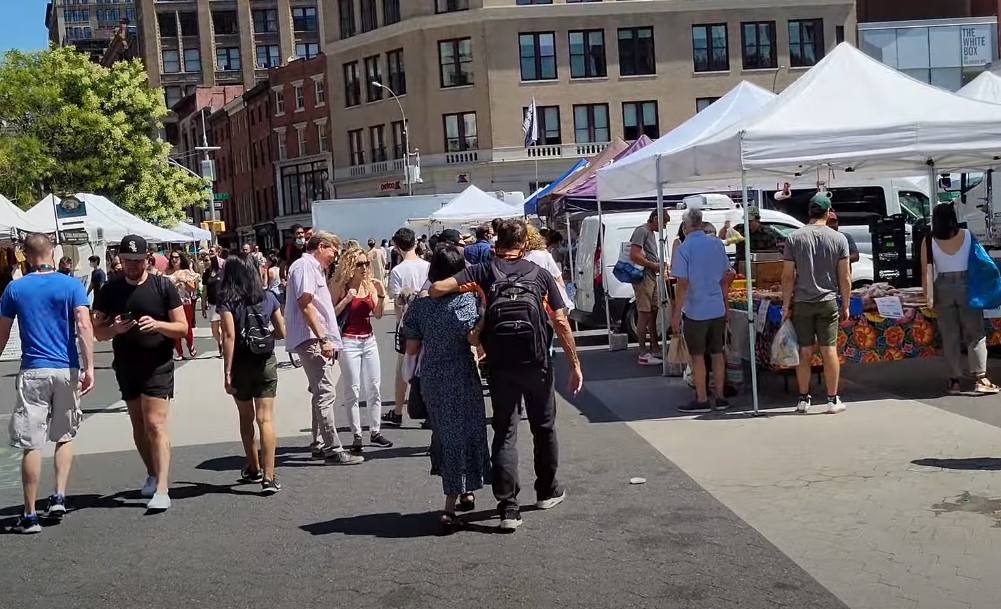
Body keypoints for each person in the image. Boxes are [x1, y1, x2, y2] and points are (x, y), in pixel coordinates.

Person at [430, 219, 583, 532]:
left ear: (495, 243)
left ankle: (508, 509)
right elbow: (561, 322)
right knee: (544, 427)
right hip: (537, 362)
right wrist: (575, 363)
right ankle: (546, 491)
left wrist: (478, 319)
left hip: (500, 365)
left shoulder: (483, 271)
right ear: (524, 245)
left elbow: (437, 288)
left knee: (505, 432)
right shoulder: (539, 275)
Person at [0, 234, 94, 534]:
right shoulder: (71, 285)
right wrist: (89, 366)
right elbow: (83, 325)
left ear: (25, 255)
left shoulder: (14, 288)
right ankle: (58, 496)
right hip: (65, 368)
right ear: (52, 253)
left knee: (31, 444)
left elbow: (2, 334)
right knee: (64, 435)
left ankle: (29, 515)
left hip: (33, 370)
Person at [93, 234, 188, 511]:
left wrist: (158, 325)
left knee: (156, 423)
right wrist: (114, 330)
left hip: (158, 363)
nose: (131, 266)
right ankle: (152, 472)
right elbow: (97, 332)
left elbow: (182, 327)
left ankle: (162, 488)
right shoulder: (110, 289)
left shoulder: (163, 286)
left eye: (136, 260)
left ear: (147, 259)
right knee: (138, 423)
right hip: (126, 364)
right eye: (126, 261)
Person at [401, 246, 491, 532]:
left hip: (432, 375)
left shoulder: (419, 305)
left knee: (445, 433)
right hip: (461, 373)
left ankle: (463, 488)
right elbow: (473, 339)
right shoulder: (467, 300)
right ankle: (451, 503)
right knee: (467, 431)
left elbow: (412, 348)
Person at [286, 230, 363, 465]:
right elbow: (306, 304)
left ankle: (320, 442)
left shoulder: (310, 267)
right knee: (325, 392)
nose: (333, 257)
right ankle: (332, 448)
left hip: (313, 336)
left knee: (320, 391)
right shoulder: (305, 267)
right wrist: (323, 338)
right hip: (311, 337)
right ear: (321, 246)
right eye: (332, 251)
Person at [217, 253, 287, 494]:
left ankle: (253, 467)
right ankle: (270, 477)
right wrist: (267, 336)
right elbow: (281, 331)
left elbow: (229, 336)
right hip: (265, 361)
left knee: (246, 417)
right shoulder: (268, 297)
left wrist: (227, 372)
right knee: (266, 419)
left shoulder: (227, 301)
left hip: (240, 364)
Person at [781, 194, 851, 415]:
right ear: (828, 212)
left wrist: (785, 304)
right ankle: (832, 399)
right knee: (829, 349)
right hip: (828, 301)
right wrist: (846, 304)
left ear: (809, 211)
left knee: (804, 351)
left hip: (802, 301)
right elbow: (845, 276)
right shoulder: (839, 239)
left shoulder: (794, 238)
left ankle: (803, 399)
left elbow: (787, 276)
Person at [921, 203, 1000, 395]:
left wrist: (927, 296)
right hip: (967, 286)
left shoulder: (929, 240)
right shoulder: (967, 235)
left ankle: (954, 380)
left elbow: (925, 272)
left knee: (950, 336)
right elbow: (982, 260)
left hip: (942, 288)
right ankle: (980, 378)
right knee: (975, 333)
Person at [670, 209, 735, 413]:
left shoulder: (684, 248)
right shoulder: (716, 243)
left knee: (697, 356)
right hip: (716, 307)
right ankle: (721, 397)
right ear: (701, 223)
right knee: (717, 353)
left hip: (695, 309)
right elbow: (726, 276)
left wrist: (675, 313)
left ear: (685, 226)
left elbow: (682, 284)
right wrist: (726, 306)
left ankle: (702, 398)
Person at [330, 248, 392, 452]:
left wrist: (381, 294)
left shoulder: (370, 285)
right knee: (353, 389)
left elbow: (379, 314)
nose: (364, 268)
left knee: (374, 386)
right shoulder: (341, 286)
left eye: (366, 263)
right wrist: (347, 299)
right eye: (359, 264)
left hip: (369, 340)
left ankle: (375, 431)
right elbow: (331, 316)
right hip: (349, 341)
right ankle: (356, 434)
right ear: (350, 266)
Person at [383, 227, 431, 427]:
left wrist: (399, 320)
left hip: (408, 324)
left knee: (403, 368)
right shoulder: (428, 266)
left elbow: (397, 302)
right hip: (429, 321)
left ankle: (398, 411)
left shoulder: (397, 271)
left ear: (396, 246)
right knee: (427, 366)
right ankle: (430, 410)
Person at [629, 210, 669, 366]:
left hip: (651, 275)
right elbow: (634, 255)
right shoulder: (642, 231)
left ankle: (654, 347)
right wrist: (653, 265)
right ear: (655, 218)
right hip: (644, 276)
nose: (665, 226)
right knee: (644, 312)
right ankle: (643, 351)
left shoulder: (650, 233)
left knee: (653, 311)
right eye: (664, 222)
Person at [525, 224, 571, 311]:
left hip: (529, 301)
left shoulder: (517, 259)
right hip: (548, 299)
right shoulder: (544, 254)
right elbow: (559, 279)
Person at [166, 250, 199, 360]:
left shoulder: (186, 271)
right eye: (172, 258)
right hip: (172, 304)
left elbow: (193, 288)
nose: (174, 260)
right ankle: (178, 352)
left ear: (181, 259)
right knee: (175, 328)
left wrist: (184, 281)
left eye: (177, 257)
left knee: (187, 327)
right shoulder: (168, 272)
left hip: (185, 303)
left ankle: (190, 345)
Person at [202, 255, 223, 354]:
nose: (205, 262)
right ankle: (220, 342)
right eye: (204, 260)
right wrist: (203, 307)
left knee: (223, 327)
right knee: (214, 330)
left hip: (223, 304)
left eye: (207, 260)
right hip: (212, 304)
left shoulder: (222, 272)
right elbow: (204, 292)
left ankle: (224, 346)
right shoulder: (206, 275)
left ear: (213, 261)